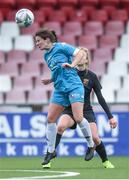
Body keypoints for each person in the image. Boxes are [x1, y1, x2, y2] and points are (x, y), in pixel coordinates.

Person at [48, 47, 117, 169]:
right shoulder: (69, 73)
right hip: (70, 110)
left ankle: (105, 161)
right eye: (76, 56)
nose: (79, 58)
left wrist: (110, 117)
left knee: (95, 138)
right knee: (60, 127)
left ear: (86, 59)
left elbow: (100, 98)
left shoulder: (92, 76)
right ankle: (49, 156)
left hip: (86, 111)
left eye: (83, 56)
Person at [34, 29, 94, 168]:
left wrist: (72, 65)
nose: (37, 44)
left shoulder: (61, 46)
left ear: (47, 39)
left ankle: (91, 146)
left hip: (73, 86)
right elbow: (57, 71)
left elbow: (81, 53)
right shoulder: (46, 56)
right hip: (60, 89)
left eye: (38, 41)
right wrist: (50, 80)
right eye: (36, 42)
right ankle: (51, 151)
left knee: (78, 118)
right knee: (50, 119)